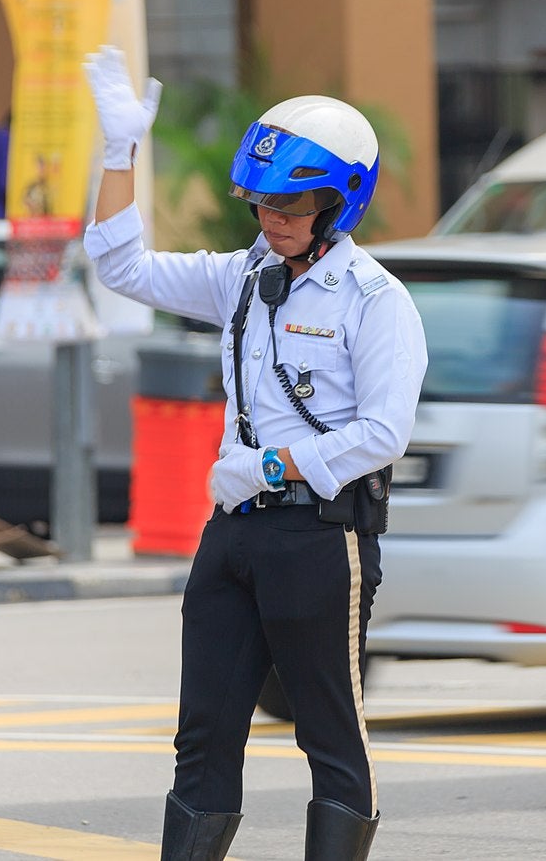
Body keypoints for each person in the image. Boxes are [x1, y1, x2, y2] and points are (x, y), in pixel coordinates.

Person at [83, 46, 427, 861]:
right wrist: (118, 149)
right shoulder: (242, 277)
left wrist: (274, 466)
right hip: (233, 535)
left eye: (291, 204)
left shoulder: (377, 302)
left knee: (329, 737)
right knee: (202, 735)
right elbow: (118, 264)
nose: (271, 218)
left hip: (320, 539)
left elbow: (384, 433)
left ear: (339, 202)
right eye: (261, 203)